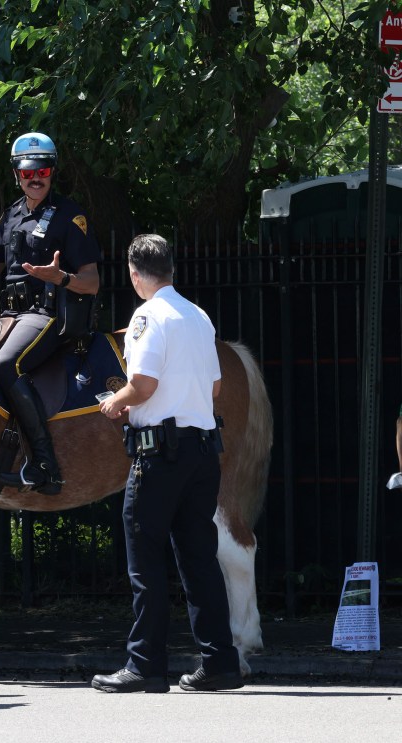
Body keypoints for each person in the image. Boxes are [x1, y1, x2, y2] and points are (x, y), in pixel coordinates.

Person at [92, 233, 242, 693]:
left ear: (136, 275)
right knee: (199, 560)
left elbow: (143, 384)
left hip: (159, 455)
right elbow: (215, 389)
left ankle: (145, 665)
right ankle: (219, 662)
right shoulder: (199, 316)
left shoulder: (146, 315)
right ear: (171, 269)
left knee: (146, 562)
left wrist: (114, 402)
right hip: (202, 453)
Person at [0, 132, 101, 495]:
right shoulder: (9, 217)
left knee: (5, 364)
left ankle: (44, 463)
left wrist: (61, 277)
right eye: (27, 173)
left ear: (53, 172)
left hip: (47, 315)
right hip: (7, 316)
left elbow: (92, 282)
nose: (35, 179)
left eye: (43, 171)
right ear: (16, 175)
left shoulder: (71, 216)